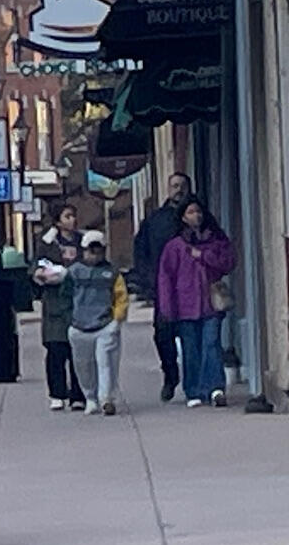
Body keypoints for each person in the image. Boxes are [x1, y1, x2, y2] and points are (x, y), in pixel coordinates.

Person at [156, 198, 236, 408]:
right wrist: (167, 307)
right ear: (183, 217)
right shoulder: (175, 247)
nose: (196, 216)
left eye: (198, 211)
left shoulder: (215, 240)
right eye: (191, 212)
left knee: (211, 344)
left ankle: (216, 388)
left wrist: (203, 256)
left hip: (211, 303)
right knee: (190, 348)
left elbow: (228, 263)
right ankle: (194, 389)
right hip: (185, 305)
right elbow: (166, 278)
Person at [133, 171, 192, 401]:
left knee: (192, 335)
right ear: (168, 189)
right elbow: (141, 251)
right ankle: (170, 375)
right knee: (163, 335)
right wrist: (147, 280)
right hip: (163, 288)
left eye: (182, 185)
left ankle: (195, 382)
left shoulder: (198, 215)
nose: (178, 189)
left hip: (192, 287)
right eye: (175, 185)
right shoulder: (155, 220)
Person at [66, 231, 127, 415]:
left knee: (105, 362)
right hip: (79, 326)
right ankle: (90, 397)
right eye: (90, 251)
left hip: (105, 324)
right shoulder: (74, 272)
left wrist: (117, 318)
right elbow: (64, 296)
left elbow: (121, 296)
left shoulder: (112, 273)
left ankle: (106, 399)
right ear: (83, 251)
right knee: (83, 365)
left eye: (98, 251)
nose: (94, 255)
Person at [33, 227, 86, 412]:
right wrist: (42, 274)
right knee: (56, 351)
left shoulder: (82, 241)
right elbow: (37, 266)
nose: (72, 220)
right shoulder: (48, 243)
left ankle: (78, 395)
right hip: (55, 305)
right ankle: (57, 394)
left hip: (77, 303)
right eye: (67, 216)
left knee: (77, 353)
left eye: (73, 216)